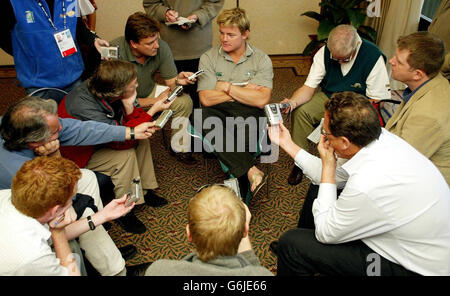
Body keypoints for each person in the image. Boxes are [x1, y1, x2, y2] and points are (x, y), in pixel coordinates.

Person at [267, 92, 450, 276]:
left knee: (292, 244)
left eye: (326, 133)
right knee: (321, 187)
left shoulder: (366, 183)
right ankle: (309, 252)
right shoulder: (380, 138)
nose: (324, 138)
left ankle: (296, 253)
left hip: (408, 269)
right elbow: (332, 177)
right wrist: (287, 143)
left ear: (345, 142)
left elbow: (326, 232)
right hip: (413, 243)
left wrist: (328, 168)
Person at [0, 96, 155, 274]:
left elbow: (83, 129)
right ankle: (115, 270)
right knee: (81, 207)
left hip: (38, 205)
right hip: (28, 218)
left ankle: (97, 252)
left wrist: (131, 132)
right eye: (55, 130)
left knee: (87, 178)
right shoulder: (17, 172)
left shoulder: (21, 124)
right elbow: (62, 207)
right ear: (35, 143)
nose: (61, 128)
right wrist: (54, 153)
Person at [59, 59, 172, 234]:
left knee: (143, 139)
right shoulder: (85, 106)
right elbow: (122, 141)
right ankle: (124, 210)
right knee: (124, 155)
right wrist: (150, 111)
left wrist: (129, 108)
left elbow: (133, 129)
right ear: (118, 91)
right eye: (134, 85)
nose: (137, 86)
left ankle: (145, 190)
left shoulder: (110, 91)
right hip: (78, 154)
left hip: (99, 143)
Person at [282, 24, 391, 186]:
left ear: (357, 46)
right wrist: (292, 101)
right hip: (329, 97)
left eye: (344, 59)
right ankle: (300, 161)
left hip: (357, 105)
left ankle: (341, 164)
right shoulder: (324, 52)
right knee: (301, 111)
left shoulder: (373, 56)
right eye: (335, 58)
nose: (339, 62)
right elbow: (308, 87)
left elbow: (375, 101)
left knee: (343, 125)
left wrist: (344, 115)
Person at [0, 156, 134, 276]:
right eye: (71, 199)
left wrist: (104, 215)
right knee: (74, 253)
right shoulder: (32, 256)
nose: (74, 200)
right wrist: (58, 233)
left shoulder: (12, 197)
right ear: (56, 210)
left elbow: (48, 236)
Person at [194, 7, 273, 197]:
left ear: (245, 34)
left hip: (249, 110)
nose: (224, 38)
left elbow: (262, 99)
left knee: (241, 135)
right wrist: (244, 90)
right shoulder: (208, 58)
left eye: (230, 34)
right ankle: (252, 172)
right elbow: (206, 98)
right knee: (201, 116)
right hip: (216, 110)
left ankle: (238, 199)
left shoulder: (261, 59)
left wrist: (227, 88)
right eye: (221, 33)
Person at [110, 12, 197, 165]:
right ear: (133, 44)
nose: (156, 45)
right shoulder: (114, 53)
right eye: (150, 43)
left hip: (149, 90)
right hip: (122, 101)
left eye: (156, 39)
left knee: (184, 101)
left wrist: (179, 81)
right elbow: (118, 100)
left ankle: (179, 147)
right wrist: (155, 101)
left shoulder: (161, 47)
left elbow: (171, 82)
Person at [145, 184, 273, 276]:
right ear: (245, 231)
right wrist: (243, 225)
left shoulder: (158, 271)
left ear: (189, 234)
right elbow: (254, 271)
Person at [0, 0, 109, 103]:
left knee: (75, 118)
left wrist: (93, 39)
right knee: (46, 121)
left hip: (73, 75)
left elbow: (76, 22)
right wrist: (30, 55)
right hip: (39, 83)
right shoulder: (11, 3)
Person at [385, 31, 450, 185]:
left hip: (422, 187)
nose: (391, 61)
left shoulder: (428, 115)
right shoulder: (430, 82)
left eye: (399, 62)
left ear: (417, 74)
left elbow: (398, 164)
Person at [143, 0, 225, 108]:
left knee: (202, 100)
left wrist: (198, 15)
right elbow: (150, 3)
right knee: (176, 99)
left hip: (199, 47)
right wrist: (165, 13)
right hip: (171, 47)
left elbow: (215, 2)